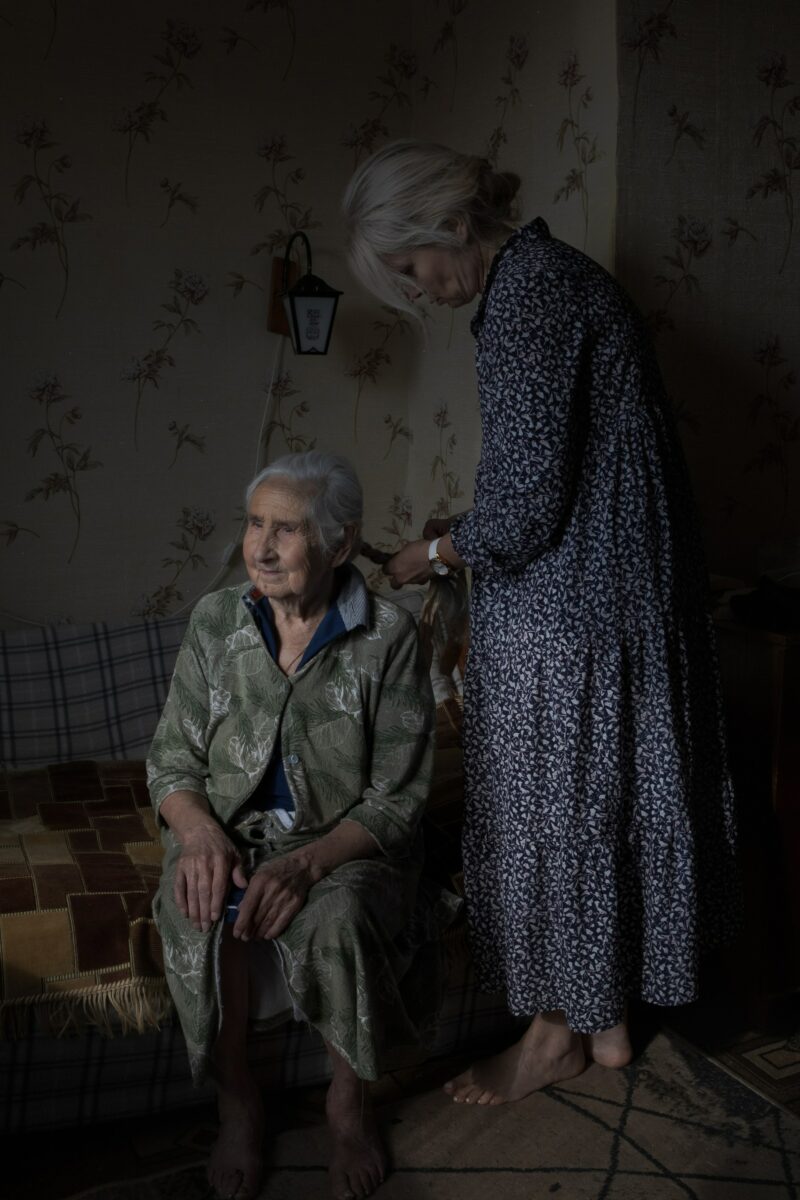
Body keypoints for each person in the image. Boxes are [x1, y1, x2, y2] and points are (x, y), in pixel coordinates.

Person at [342, 141, 739, 1106]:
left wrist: (430, 555)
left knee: (553, 816)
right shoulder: (563, 278)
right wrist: (460, 538)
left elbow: (521, 510)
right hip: (624, 602)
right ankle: (608, 1028)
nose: (418, 290)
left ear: (443, 225)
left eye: (408, 269)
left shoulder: (525, 296)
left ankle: (554, 1033)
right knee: (604, 805)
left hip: (571, 619)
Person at [148, 450, 458, 1200]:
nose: (260, 546)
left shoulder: (389, 635)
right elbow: (171, 762)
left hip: (345, 843)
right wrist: (198, 834)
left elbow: (396, 796)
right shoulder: (216, 620)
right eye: (256, 523)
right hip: (226, 830)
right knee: (197, 909)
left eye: (286, 530)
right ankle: (237, 1102)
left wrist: (311, 865)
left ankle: (348, 1107)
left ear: (341, 545)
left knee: (340, 918)